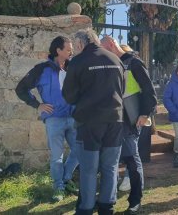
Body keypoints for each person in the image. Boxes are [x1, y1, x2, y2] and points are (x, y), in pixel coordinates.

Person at [62, 29, 125, 215]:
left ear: (81, 43)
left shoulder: (78, 62)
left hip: (89, 122)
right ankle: (107, 207)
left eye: (76, 45)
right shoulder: (115, 59)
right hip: (115, 120)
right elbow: (121, 89)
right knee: (110, 166)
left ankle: (86, 209)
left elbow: (69, 95)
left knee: (89, 169)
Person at [15, 36, 78, 202]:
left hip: (73, 117)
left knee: (80, 150)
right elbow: (21, 89)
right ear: (58, 50)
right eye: (68, 49)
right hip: (54, 119)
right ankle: (59, 187)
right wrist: (37, 105)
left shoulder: (74, 67)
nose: (71, 52)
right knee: (57, 156)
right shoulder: (41, 69)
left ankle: (65, 179)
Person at [101, 36, 157, 215]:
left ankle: (135, 201)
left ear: (110, 44)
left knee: (132, 160)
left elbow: (149, 90)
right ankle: (107, 198)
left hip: (129, 120)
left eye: (103, 48)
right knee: (109, 162)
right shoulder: (111, 63)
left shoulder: (134, 62)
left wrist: (145, 113)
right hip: (112, 120)